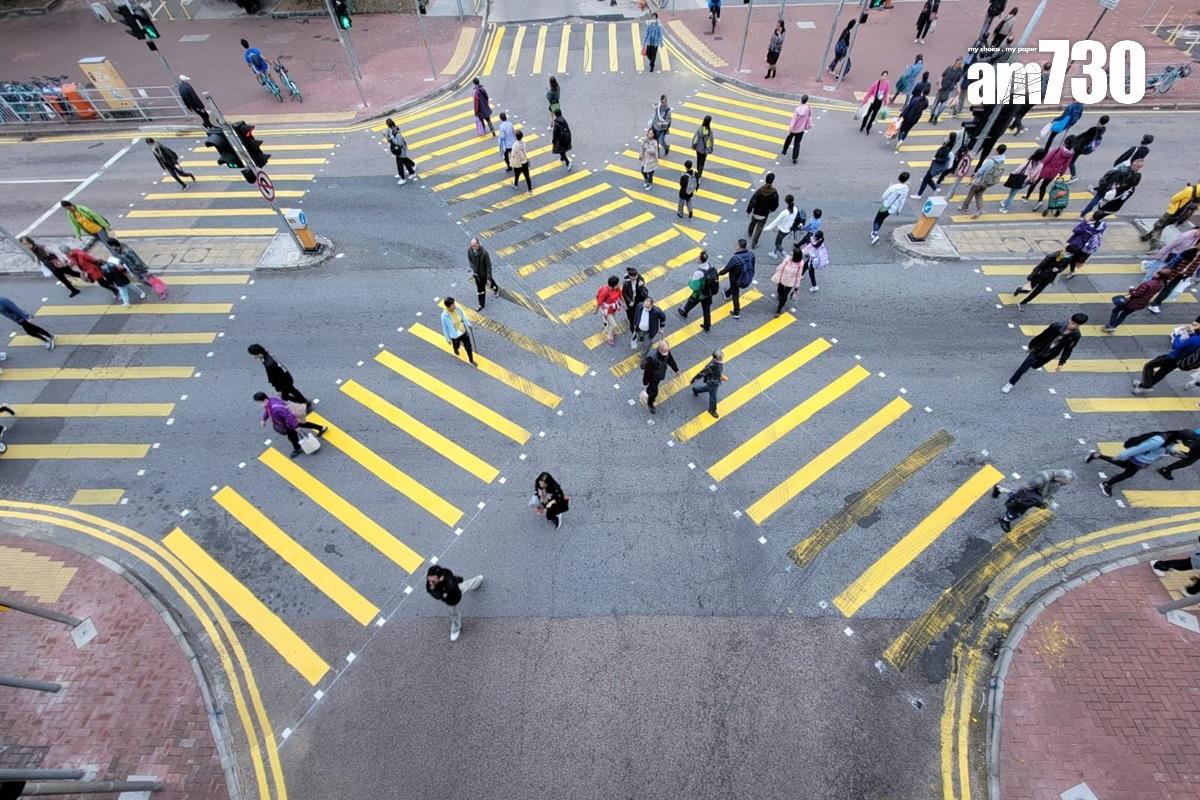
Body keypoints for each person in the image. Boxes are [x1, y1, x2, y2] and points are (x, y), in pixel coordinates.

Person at [1087, 430, 1192, 497]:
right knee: (1128, 474)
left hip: (1141, 460)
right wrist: (1122, 455)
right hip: (1138, 460)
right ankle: (1106, 484)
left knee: (1122, 464)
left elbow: (1167, 449)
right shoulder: (1157, 441)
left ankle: (1096, 455)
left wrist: (1174, 454)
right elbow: (1139, 448)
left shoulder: (1171, 438)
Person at [1001, 312, 1085, 393]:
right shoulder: (1056, 325)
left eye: (1077, 325)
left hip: (1050, 354)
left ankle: (1034, 365)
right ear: (1070, 320)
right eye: (1073, 323)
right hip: (1039, 349)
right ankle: (1011, 383)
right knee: (1023, 368)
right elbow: (1042, 335)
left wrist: (1061, 363)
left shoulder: (1076, 335)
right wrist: (1031, 346)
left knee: (1035, 365)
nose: (1073, 326)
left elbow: (1068, 349)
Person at [991, 470, 1074, 532]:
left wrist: (1050, 501)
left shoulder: (1058, 481)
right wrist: (1020, 498)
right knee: (1016, 511)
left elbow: (1048, 491)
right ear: (1061, 478)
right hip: (1028, 496)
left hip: (1034, 497)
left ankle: (1000, 489)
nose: (1065, 484)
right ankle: (1005, 519)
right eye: (1065, 482)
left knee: (1015, 498)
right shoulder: (1044, 478)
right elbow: (1026, 487)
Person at [1132, 319, 1200, 395]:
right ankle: (1144, 386)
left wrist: (1177, 335)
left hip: (1173, 356)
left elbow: (1176, 346)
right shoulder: (1196, 338)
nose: (1196, 325)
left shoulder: (1196, 339)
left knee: (1149, 366)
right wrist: (1191, 333)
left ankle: (1146, 386)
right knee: (1162, 372)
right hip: (1181, 360)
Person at [256, 391, 325, 459]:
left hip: (289, 424)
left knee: (292, 437)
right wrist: (264, 419)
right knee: (303, 424)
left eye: (259, 403)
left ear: (265, 400)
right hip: (291, 420)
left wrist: (295, 426)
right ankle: (320, 428)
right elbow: (267, 411)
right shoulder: (271, 400)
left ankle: (297, 449)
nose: (259, 404)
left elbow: (288, 416)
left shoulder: (275, 408)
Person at [425, 564, 484, 642]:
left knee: (454, 613)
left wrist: (443, 594)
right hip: (452, 594)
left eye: (433, 581)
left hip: (453, 598)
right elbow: (430, 590)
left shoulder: (449, 584)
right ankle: (476, 581)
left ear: (441, 578)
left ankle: (456, 628)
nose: (430, 583)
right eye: (429, 580)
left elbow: (439, 595)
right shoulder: (437, 579)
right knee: (464, 586)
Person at [1102, 269, 1171, 332]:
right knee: (1124, 314)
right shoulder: (1161, 284)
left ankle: (1111, 325)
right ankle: (1113, 326)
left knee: (1115, 310)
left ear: (1158, 275)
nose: (1154, 272)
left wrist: (1131, 289)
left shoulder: (1148, 283)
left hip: (1132, 302)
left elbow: (1137, 294)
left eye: (1156, 272)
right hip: (1141, 303)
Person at [1141, 181, 1200, 249]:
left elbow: (1174, 198)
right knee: (1162, 225)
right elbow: (1197, 207)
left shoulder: (1190, 189)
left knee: (1158, 226)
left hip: (1172, 212)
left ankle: (1154, 247)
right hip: (1182, 216)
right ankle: (1145, 238)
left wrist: (1185, 192)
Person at [1078, 159, 1143, 217]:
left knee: (1097, 204)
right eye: (1138, 167)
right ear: (1133, 165)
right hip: (1106, 191)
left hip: (1111, 192)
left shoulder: (1132, 173)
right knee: (1094, 203)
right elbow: (1111, 182)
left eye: (1139, 167)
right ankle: (1084, 214)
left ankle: (1088, 214)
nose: (1138, 169)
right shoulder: (1123, 171)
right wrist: (1113, 188)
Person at [1025, 136, 1074, 210]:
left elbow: (1047, 158)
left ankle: (1027, 197)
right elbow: (1066, 165)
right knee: (1043, 187)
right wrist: (1061, 173)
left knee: (1034, 182)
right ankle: (1040, 201)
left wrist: (1039, 166)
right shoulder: (1070, 154)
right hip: (1053, 172)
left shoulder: (1058, 149)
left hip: (1044, 169)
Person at [958, 144, 1006, 217]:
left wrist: (972, 179)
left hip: (979, 182)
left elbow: (980, 171)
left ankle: (964, 208)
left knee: (970, 194)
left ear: (997, 150)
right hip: (987, 182)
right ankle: (979, 210)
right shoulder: (1001, 161)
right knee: (979, 196)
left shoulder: (990, 162)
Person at [1147, 248, 1200, 314]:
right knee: (1158, 285)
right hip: (1173, 271)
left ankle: (1155, 304)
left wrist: (1196, 276)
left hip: (1182, 275)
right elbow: (1174, 261)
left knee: (1168, 289)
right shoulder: (1190, 251)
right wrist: (1165, 269)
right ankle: (1141, 296)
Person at [678, 251, 718, 332]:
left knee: (691, 301)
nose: (696, 258)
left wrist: (689, 280)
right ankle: (707, 326)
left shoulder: (698, 273)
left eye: (698, 257)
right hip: (708, 292)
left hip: (700, 293)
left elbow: (694, 287)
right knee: (706, 309)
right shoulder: (710, 265)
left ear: (700, 260)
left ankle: (684, 312)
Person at [1062, 212, 1108, 278]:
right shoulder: (1103, 225)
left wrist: (1084, 223)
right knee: (1076, 259)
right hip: (1088, 247)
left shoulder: (1087, 225)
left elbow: (1075, 230)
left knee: (1071, 257)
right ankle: (1072, 271)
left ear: (1093, 217)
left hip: (1078, 244)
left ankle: (1070, 269)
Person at [998, 148, 1044, 212]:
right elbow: (1037, 175)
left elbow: (1019, 169)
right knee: (1013, 192)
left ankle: (1005, 208)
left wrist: (1012, 174)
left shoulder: (1029, 161)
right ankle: (1005, 202)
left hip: (1020, 179)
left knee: (1012, 194)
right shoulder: (1041, 165)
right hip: (1027, 181)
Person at [719, 240, 755, 319]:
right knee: (733, 288)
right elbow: (752, 267)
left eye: (737, 245)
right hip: (746, 277)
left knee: (735, 293)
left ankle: (736, 312)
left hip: (735, 279)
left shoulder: (735, 259)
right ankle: (727, 294)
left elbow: (726, 270)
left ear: (739, 246)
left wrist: (718, 273)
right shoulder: (751, 255)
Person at [640, 340, 678, 414]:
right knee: (654, 392)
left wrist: (676, 370)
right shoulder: (652, 358)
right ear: (660, 350)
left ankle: (648, 393)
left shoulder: (666, 353)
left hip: (658, 376)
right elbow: (647, 372)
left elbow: (670, 360)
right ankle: (650, 403)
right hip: (652, 378)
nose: (666, 354)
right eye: (664, 352)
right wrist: (645, 383)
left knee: (653, 389)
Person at [872, 171, 910, 244]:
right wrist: (899, 210)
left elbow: (884, 196)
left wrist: (889, 187)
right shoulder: (906, 188)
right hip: (892, 209)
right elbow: (902, 201)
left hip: (885, 206)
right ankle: (875, 232)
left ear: (899, 177)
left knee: (877, 219)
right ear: (906, 180)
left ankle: (875, 234)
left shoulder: (893, 187)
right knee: (882, 219)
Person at [1067, 114, 1108, 180]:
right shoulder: (1103, 130)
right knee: (1072, 157)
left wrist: (1075, 144)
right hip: (1088, 149)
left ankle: (1073, 176)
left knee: (1071, 161)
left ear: (1099, 120)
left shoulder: (1093, 129)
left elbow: (1083, 135)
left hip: (1081, 147)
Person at [916, 132, 957, 196]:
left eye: (947, 137)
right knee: (928, 178)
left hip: (937, 166)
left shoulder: (947, 149)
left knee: (925, 179)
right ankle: (935, 188)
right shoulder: (946, 146)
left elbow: (943, 160)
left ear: (950, 139)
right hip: (935, 165)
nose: (945, 138)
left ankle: (919, 195)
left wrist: (935, 159)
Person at [746, 173, 779, 249]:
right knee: (759, 229)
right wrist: (771, 210)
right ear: (772, 181)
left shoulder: (760, 190)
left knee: (753, 222)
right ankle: (754, 244)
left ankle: (750, 232)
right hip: (764, 214)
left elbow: (752, 201)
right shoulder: (774, 192)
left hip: (756, 212)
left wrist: (749, 210)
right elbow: (775, 204)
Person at [440, 297, 476, 365]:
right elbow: (445, 328)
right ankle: (455, 349)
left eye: (454, 303)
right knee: (456, 346)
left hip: (463, 331)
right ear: (448, 307)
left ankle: (471, 360)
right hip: (455, 335)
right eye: (452, 305)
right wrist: (448, 339)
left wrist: (468, 324)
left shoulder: (458, 310)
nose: (454, 305)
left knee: (468, 347)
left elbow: (463, 318)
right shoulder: (444, 316)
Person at [691, 350, 726, 418]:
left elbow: (717, 371)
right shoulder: (712, 365)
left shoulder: (718, 363)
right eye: (720, 358)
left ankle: (696, 389)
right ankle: (712, 410)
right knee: (713, 397)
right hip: (712, 382)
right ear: (715, 358)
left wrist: (720, 376)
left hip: (715, 381)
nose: (722, 359)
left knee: (708, 389)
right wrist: (694, 379)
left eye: (722, 357)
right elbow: (702, 373)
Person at [771, 244, 805, 315]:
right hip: (782, 279)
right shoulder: (787, 259)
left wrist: (797, 287)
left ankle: (779, 309)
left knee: (785, 295)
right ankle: (780, 297)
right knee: (779, 291)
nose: (790, 254)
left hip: (790, 283)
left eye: (792, 253)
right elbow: (781, 267)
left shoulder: (800, 264)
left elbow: (799, 275)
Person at [928, 58, 963, 124]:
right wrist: (940, 85)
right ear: (955, 63)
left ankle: (936, 117)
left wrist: (958, 89)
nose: (959, 65)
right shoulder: (949, 68)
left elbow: (958, 81)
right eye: (958, 63)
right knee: (935, 104)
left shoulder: (960, 71)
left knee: (943, 106)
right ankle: (932, 116)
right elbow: (942, 76)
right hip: (942, 88)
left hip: (949, 90)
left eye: (960, 64)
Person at [468, 238, 499, 311]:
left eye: (475, 246)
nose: (473, 248)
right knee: (480, 290)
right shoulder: (470, 250)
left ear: (478, 244)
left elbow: (488, 266)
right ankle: (481, 304)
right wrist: (473, 267)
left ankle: (495, 289)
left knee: (491, 283)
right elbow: (470, 260)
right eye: (472, 246)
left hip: (484, 274)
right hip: (477, 275)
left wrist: (488, 278)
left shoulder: (484, 253)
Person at [765, 194, 800, 258]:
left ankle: (786, 256)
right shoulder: (796, 208)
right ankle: (774, 252)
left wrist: (766, 228)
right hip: (789, 228)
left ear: (786, 202)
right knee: (779, 241)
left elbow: (775, 221)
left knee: (777, 244)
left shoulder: (785, 212)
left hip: (783, 230)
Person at [385, 119, 417, 185]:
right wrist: (387, 136)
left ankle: (403, 178)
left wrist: (391, 137)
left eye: (390, 127)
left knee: (400, 164)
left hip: (401, 150)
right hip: (398, 151)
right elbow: (389, 140)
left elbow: (399, 143)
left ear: (393, 126)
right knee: (405, 162)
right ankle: (412, 172)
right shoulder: (391, 130)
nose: (389, 128)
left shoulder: (397, 133)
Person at [595, 275, 624, 347]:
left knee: (612, 321)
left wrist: (624, 304)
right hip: (607, 310)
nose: (619, 285)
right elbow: (600, 302)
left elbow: (621, 296)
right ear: (612, 286)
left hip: (614, 308)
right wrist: (596, 310)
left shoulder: (617, 289)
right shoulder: (605, 291)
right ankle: (610, 337)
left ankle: (612, 331)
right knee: (614, 324)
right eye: (617, 284)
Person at [782, 95, 812, 164]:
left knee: (789, 138)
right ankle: (795, 158)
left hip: (794, 129)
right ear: (806, 101)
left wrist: (790, 128)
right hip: (801, 129)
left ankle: (784, 150)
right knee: (797, 143)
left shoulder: (797, 109)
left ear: (801, 100)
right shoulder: (808, 108)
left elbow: (794, 120)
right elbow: (809, 117)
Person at [621, 266, 648, 339]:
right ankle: (633, 330)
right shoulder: (626, 283)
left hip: (638, 301)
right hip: (630, 304)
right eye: (632, 277)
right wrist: (629, 301)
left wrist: (641, 285)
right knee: (631, 317)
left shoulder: (640, 279)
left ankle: (639, 329)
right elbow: (624, 294)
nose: (634, 278)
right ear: (629, 276)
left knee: (639, 315)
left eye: (635, 276)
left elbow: (644, 293)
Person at [691, 115, 715, 182]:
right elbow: (711, 141)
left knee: (698, 160)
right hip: (704, 150)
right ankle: (699, 175)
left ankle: (698, 171)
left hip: (698, 148)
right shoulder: (709, 131)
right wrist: (710, 149)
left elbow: (695, 137)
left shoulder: (700, 128)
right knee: (702, 162)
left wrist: (694, 146)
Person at [511, 129, 532, 193]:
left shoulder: (515, 145)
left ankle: (516, 185)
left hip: (518, 163)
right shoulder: (523, 143)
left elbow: (513, 154)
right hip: (524, 162)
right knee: (527, 176)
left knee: (517, 174)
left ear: (516, 137)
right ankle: (529, 189)